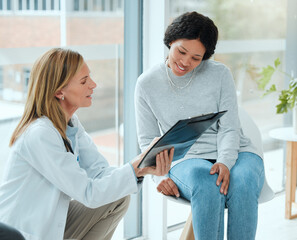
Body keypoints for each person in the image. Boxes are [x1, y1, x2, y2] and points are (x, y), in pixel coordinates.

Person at [0, 48, 174, 240]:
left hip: (50, 226)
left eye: (89, 77)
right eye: (84, 81)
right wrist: (136, 168)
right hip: (22, 234)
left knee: (118, 196)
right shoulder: (39, 134)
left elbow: (99, 172)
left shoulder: (70, 124)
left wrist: (142, 167)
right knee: (110, 193)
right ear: (59, 91)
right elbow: (87, 193)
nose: (93, 85)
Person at [135, 12, 267, 240]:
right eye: (181, 51)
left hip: (238, 151)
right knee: (207, 185)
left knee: (243, 182)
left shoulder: (219, 74)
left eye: (196, 58)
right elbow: (148, 141)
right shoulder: (147, 84)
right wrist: (158, 177)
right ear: (170, 42)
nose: (186, 62)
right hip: (185, 159)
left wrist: (225, 161)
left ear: (205, 56)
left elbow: (229, 127)